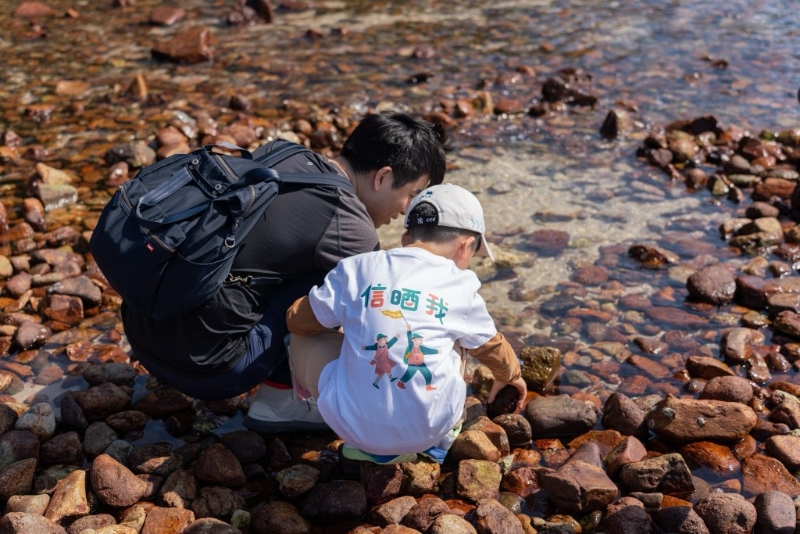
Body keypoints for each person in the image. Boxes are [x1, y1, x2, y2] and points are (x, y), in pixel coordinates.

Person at [119, 111, 451, 433]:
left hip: (143, 326)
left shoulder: (283, 153)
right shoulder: (348, 225)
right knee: (352, 287)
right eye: (410, 195)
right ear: (383, 177)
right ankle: (278, 402)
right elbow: (387, 316)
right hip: (208, 369)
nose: (407, 210)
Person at [284, 184, 527, 464]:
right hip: (429, 430)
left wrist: (345, 320)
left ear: (405, 237)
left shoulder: (357, 268)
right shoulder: (461, 285)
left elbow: (297, 322)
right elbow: (493, 347)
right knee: (461, 338)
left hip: (351, 428)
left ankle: (347, 426)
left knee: (304, 336)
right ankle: (442, 439)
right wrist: (511, 376)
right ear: (466, 247)